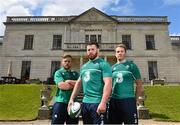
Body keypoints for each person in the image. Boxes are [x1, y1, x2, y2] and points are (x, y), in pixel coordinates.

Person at [68, 41, 112, 124]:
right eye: (88, 50)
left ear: (98, 50)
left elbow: (108, 83)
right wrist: (71, 99)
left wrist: (103, 102)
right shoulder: (84, 66)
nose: (90, 51)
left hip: (97, 103)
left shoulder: (103, 64)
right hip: (85, 103)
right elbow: (79, 83)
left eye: (92, 49)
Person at [108, 43, 142, 124]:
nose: (120, 53)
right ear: (115, 54)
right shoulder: (112, 68)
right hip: (114, 100)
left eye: (122, 51)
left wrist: (136, 99)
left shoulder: (132, 66)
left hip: (128, 100)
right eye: (118, 51)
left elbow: (139, 84)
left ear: (125, 53)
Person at [51, 54, 79, 125]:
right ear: (62, 62)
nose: (67, 63)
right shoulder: (58, 73)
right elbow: (62, 86)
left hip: (73, 103)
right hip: (61, 102)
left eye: (69, 61)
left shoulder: (75, 74)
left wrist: (69, 81)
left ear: (71, 63)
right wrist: (75, 85)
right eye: (65, 61)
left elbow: (81, 84)